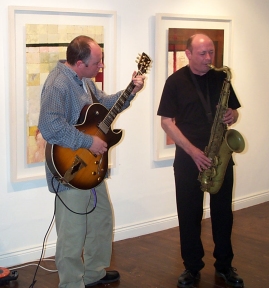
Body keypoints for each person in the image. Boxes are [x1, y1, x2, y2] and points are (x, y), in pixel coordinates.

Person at [38, 35, 145, 288]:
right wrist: (88, 143)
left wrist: (130, 90)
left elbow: (105, 105)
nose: (101, 66)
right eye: (97, 62)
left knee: (101, 221)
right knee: (72, 234)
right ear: (79, 63)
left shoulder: (84, 81)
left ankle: (94, 273)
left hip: (92, 168)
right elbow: (50, 126)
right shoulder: (58, 84)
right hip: (71, 170)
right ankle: (72, 283)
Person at [157, 34, 244, 288]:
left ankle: (225, 265)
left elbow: (235, 110)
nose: (208, 58)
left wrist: (232, 114)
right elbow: (166, 122)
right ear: (189, 54)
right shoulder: (175, 82)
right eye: (203, 54)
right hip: (189, 159)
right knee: (189, 214)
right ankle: (192, 268)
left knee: (223, 214)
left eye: (211, 53)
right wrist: (193, 151)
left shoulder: (222, 78)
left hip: (221, 155)